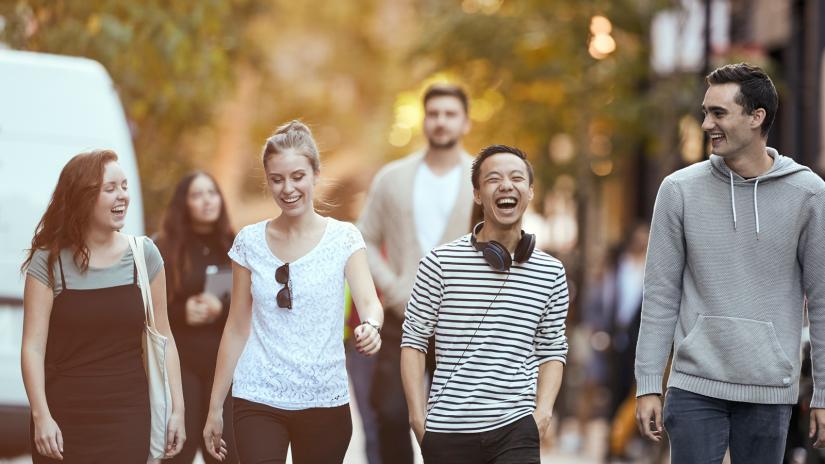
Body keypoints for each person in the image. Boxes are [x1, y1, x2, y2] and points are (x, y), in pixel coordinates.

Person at [635, 62, 825, 463]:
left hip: (770, 389)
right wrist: (648, 384)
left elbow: (822, 300)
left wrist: (823, 392)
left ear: (757, 117)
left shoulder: (808, 194)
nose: (706, 124)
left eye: (718, 113)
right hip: (693, 387)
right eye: (705, 112)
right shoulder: (678, 190)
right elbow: (660, 295)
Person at [202, 120, 384, 463]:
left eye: (297, 176)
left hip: (324, 398)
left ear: (315, 174)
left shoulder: (344, 238)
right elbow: (237, 326)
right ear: (267, 180)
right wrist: (214, 408)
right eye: (277, 179)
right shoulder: (249, 242)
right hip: (257, 396)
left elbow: (369, 302)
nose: (288, 188)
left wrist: (371, 327)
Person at [400, 144, 569, 464]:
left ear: (530, 191)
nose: (506, 185)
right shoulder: (439, 263)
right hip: (448, 431)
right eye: (494, 179)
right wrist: (417, 419)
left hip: (516, 430)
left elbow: (552, 349)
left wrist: (542, 414)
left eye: (517, 178)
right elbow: (413, 341)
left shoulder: (551, 272)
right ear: (477, 194)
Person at [20, 149, 186, 462]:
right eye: (110, 189)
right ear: (82, 198)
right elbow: (32, 348)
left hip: (127, 414)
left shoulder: (144, 256)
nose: (122, 196)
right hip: (62, 418)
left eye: (124, 186)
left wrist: (178, 409)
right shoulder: (48, 261)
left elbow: (164, 338)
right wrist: (41, 416)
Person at [358, 83, 475, 464]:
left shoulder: (482, 176)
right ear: (425, 120)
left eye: (450, 114)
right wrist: (391, 288)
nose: (441, 122)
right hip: (400, 319)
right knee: (391, 411)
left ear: (465, 122)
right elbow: (364, 239)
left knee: (456, 421)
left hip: (462, 322)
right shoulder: (393, 178)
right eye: (434, 113)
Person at [155, 172, 238, 464]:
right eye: (197, 195)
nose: (207, 200)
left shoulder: (236, 244)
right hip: (181, 365)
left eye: (212, 193)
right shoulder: (164, 248)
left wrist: (221, 309)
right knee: (178, 450)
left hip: (225, 367)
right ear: (184, 203)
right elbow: (147, 310)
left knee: (226, 453)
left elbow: (252, 304)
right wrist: (182, 312)